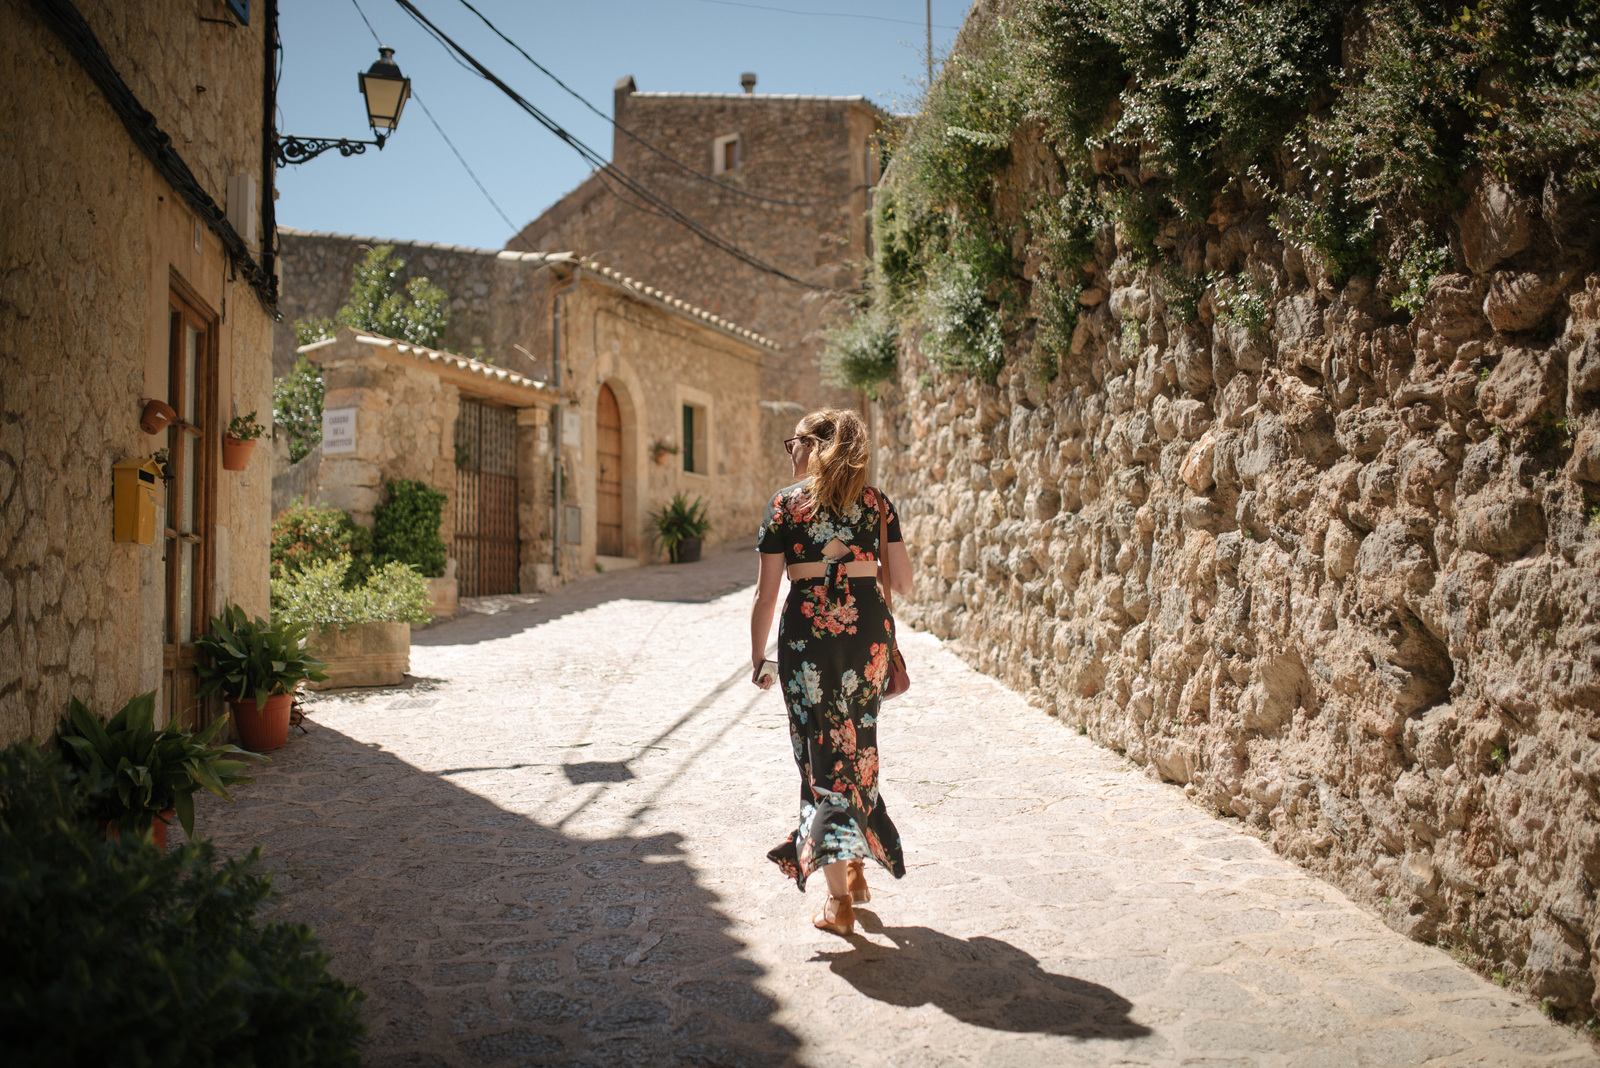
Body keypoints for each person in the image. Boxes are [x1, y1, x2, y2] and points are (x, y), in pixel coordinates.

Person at [749, 408, 912, 937]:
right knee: (857, 747)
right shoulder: (877, 504)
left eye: (792, 442)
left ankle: (839, 902)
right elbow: (903, 582)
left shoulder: (786, 505)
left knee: (823, 755)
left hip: (808, 645)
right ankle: (858, 865)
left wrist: (759, 658)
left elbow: (766, 594)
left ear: (813, 446)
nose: (789, 451)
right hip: (867, 640)